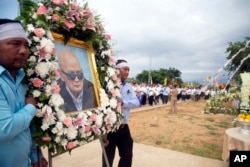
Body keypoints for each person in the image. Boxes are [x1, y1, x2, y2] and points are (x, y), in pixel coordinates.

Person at [0, 19, 47, 167]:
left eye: (26, 45)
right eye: (15, 44)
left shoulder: (23, 79)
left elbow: (27, 126)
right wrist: (31, 107)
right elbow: (4, 129)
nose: (23, 51)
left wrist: (35, 154)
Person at [102, 59, 140, 167]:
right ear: (117, 70)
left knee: (127, 155)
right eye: (125, 69)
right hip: (111, 128)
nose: (127, 72)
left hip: (123, 126)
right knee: (108, 157)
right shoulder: (108, 85)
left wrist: (124, 103)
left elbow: (136, 102)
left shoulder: (128, 87)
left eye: (129, 70)